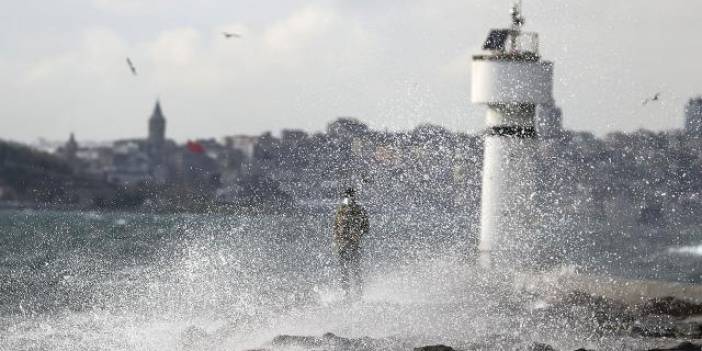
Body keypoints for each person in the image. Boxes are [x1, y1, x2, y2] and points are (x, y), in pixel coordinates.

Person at [333, 187, 369, 299]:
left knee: (351, 271)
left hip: (348, 244)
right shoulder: (343, 210)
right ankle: (350, 294)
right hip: (346, 244)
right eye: (348, 196)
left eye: (350, 196)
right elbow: (335, 227)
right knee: (350, 271)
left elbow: (366, 228)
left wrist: (355, 234)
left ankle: (353, 294)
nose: (349, 198)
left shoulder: (346, 209)